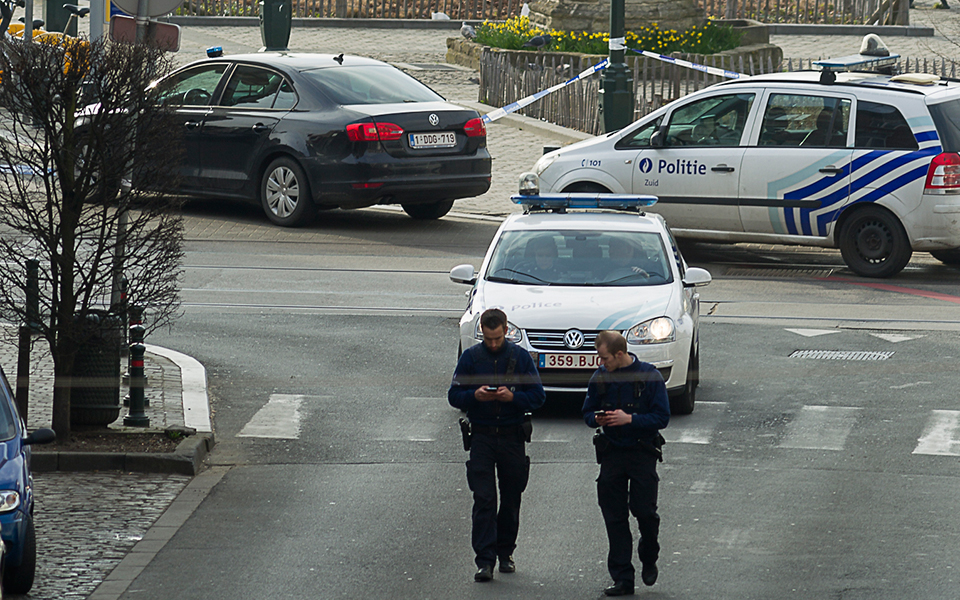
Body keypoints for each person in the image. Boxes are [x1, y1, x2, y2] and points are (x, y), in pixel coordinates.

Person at [448, 308, 546, 583]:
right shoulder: (471, 358)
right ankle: (485, 561)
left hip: (512, 436)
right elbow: (453, 395)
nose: (493, 344)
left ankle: (506, 553)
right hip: (481, 436)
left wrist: (511, 397)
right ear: (482, 332)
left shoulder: (519, 357)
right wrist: (474, 395)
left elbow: (538, 396)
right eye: (488, 339)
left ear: (506, 330)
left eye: (497, 338)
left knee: (511, 497)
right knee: (484, 499)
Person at [582, 330, 670, 597]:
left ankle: (649, 553)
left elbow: (662, 417)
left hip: (641, 452)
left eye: (605, 357)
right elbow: (586, 411)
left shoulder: (649, 377)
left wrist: (629, 419)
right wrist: (596, 419)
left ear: (620, 354)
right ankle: (622, 577)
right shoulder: (600, 378)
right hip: (612, 453)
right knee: (614, 517)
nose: (601, 362)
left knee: (644, 512)